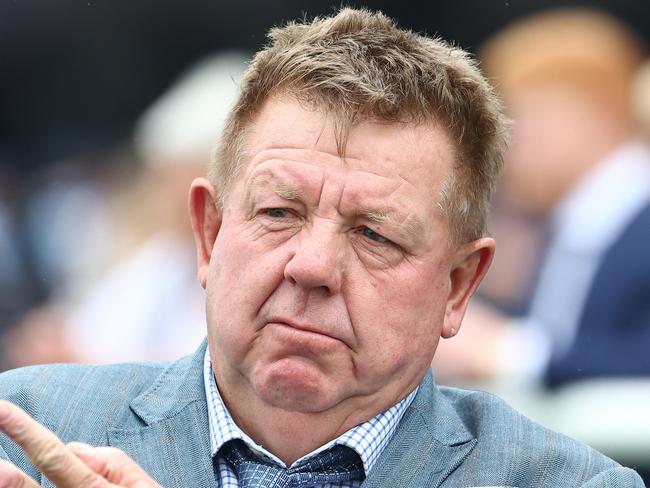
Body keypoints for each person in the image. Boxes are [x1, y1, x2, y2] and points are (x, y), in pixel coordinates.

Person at [0, 8, 644, 487]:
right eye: (279, 213)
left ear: (458, 287)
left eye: (374, 234)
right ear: (209, 233)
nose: (310, 268)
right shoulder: (26, 432)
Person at [433, 8, 650, 388]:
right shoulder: (574, 227)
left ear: (594, 116)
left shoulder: (629, 227)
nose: (506, 152)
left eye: (518, 124)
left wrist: (506, 351)